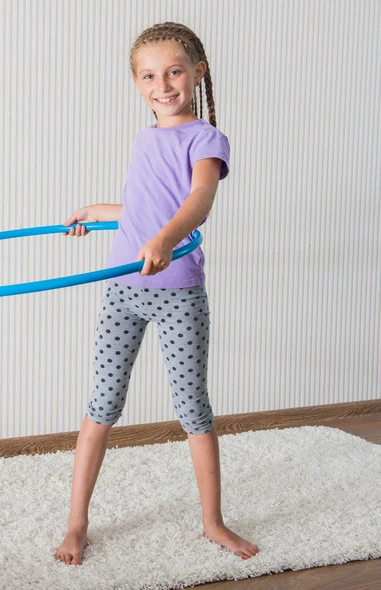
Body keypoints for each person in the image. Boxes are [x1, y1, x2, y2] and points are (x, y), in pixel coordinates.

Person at [54, 22, 260, 566]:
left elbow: (197, 201)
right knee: (101, 405)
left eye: (173, 71)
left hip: (177, 294)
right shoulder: (146, 138)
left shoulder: (206, 139)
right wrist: (99, 212)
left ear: (198, 72)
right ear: (136, 82)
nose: (162, 84)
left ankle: (213, 522)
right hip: (122, 286)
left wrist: (168, 239)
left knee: (193, 408)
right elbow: (146, 211)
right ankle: (77, 523)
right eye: (149, 75)